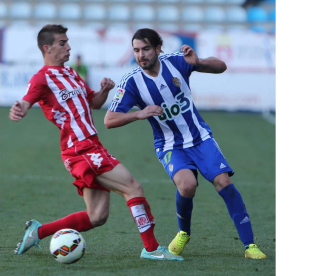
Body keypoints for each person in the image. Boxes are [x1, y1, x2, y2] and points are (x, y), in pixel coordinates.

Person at [9, 24, 183, 261]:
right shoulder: (41, 79)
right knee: (132, 187)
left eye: (67, 41)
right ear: (47, 48)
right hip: (79, 149)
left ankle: (37, 232)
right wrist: (19, 109)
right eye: (62, 43)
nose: (68, 47)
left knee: (97, 217)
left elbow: (94, 102)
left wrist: (103, 90)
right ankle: (151, 249)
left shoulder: (70, 73)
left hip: (91, 147)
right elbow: (27, 102)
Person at [104, 28, 267, 259]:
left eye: (146, 49)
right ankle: (184, 232)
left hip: (200, 137)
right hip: (169, 145)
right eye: (137, 50)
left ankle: (249, 245)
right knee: (187, 185)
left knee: (223, 181)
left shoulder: (177, 62)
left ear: (158, 48)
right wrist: (138, 115)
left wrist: (199, 62)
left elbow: (221, 67)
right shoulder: (131, 82)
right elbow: (109, 120)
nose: (141, 55)